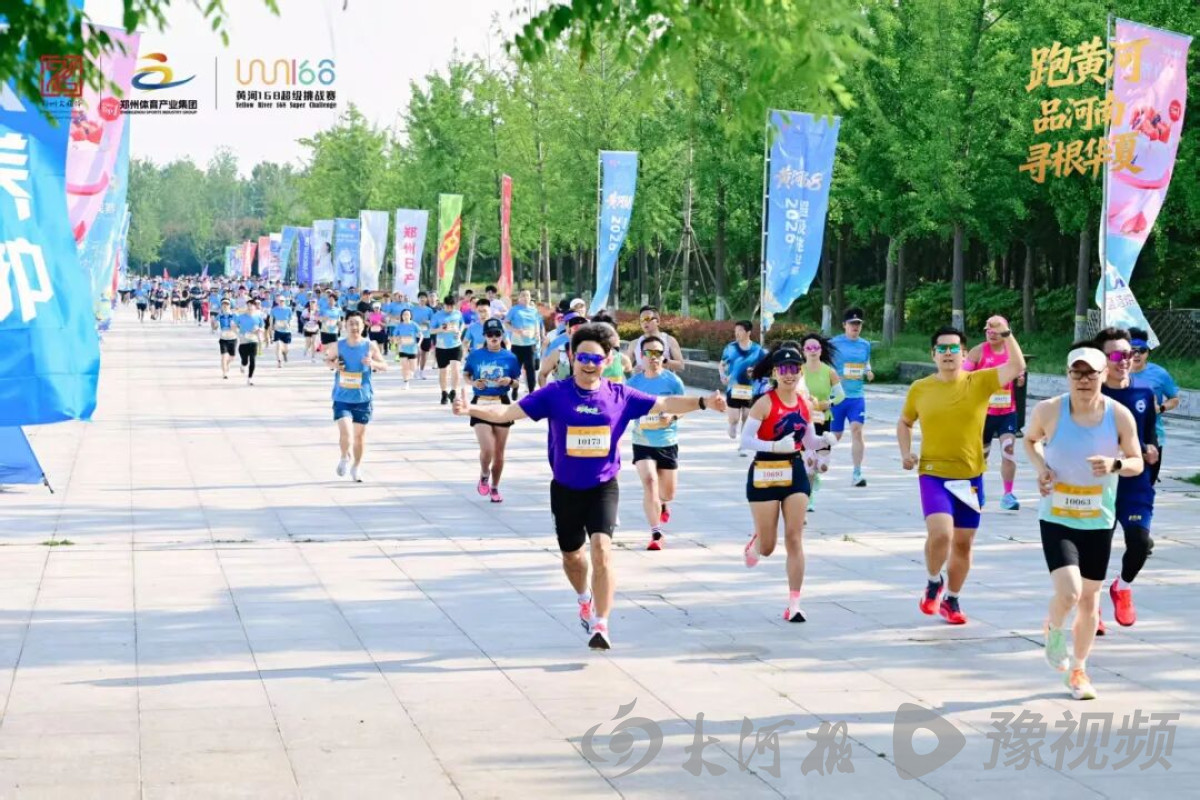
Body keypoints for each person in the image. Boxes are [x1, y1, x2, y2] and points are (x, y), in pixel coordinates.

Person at [453, 322, 727, 650]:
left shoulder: (620, 395)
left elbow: (665, 404)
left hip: (603, 486)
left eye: (596, 358)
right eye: (582, 357)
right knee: (572, 557)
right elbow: (507, 411)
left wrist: (703, 403)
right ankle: (584, 598)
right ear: (572, 357)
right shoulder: (555, 394)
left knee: (601, 549)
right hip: (565, 488)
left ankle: (601, 624)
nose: (588, 364)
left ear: (607, 360)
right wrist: (470, 409)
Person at [1024, 345, 1144, 700]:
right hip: (1057, 516)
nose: (1084, 380)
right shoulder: (1049, 410)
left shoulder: (1119, 415)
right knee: (1070, 592)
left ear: (1104, 375)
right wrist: (1042, 468)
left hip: (1097, 519)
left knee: (1090, 598)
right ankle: (1054, 629)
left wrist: (1115, 465)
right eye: (1077, 373)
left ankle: (1078, 671)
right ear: (1068, 376)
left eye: (1091, 373)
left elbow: (1137, 461)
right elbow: (1030, 440)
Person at [897, 325, 1026, 625]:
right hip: (933, 474)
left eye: (954, 348)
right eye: (941, 349)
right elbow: (904, 422)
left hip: (969, 477)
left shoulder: (979, 381)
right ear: (933, 355)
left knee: (964, 543)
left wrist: (1006, 334)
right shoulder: (920, 388)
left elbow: (1017, 366)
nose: (948, 353)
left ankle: (952, 599)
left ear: (965, 354)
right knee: (941, 534)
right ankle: (933, 581)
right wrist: (906, 452)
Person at [741, 345, 838, 622]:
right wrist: (773, 446)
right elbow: (745, 440)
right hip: (765, 470)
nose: (789, 374)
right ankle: (757, 543)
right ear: (775, 373)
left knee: (794, 537)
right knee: (768, 547)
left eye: (794, 369)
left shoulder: (805, 404)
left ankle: (794, 604)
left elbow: (809, 441)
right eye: (783, 369)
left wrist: (825, 441)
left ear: (800, 372)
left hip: (794, 470)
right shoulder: (764, 403)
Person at [1094, 327, 1160, 633]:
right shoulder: (1092, 394)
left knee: (1140, 542)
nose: (1124, 360)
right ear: (1102, 359)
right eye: (1117, 355)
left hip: (1135, 481)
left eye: (1129, 354)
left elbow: (1150, 435)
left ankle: (1122, 587)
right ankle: (1091, 608)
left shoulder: (1144, 391)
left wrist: (1152, 450)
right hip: (1100, 483)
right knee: (1097, 550)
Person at [627, 334, 687, 550]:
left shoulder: (673, 382)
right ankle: (656, 533)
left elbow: (684, 407)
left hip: (667, 441)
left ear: (663, 356)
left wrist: (673, 416)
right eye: (648, 353)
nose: (653, 357)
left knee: (667, 493)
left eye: (658, 353)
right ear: (641, 356)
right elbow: (624, 409)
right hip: (642, 441)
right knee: (650, 482)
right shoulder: (633, 383)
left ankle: (663, 503)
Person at [964, 316, 1025, 510]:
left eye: (995, 331)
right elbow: (962, 377)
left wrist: (1020, 378)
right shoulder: (978, 351)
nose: (991, 334)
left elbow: (1020, 368)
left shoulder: (1011, 350)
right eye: (988, 331)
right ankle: (977, 491)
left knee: (1008, 451)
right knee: (981, 457)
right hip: (983, 414)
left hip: (1007, 412)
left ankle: (1008, 495)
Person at [462, 319, 521, 502]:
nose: (494, 337)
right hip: (480, 404)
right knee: (487, 449)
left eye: (497, 334)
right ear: (484, 336)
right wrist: (473, 383)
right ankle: (484, 473)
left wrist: (510, 382)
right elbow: (466, 374)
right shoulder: (475, 355)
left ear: (502, 335)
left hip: (502, 403)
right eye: (490, 334)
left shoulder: (510, 357)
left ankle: (495, 487)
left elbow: (517, 382)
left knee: (499, 453)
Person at [326, 311, 388, 482]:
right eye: (351, 323)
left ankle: (356, 466)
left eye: (357, 324)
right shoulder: (338, 345)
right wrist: (335, 365)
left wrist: (372, 363)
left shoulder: (370, 346)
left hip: (362, 398)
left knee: (359, 437)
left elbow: (385, 366)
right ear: (345, 325)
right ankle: (344, 456)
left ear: (363, 326)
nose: (354, 327)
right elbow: (328, 361)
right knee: (346, 432)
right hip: (342, 397)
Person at [799, 333, 843, 511]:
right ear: (803, 351)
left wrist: (828, 403)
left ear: (821, 350)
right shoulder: (799, 371)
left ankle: (817, 474)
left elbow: (841, 395)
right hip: (804, 420)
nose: (812, 351)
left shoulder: (829, 371)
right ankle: (809, 497)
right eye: (808, 348)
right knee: (808, 462)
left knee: (822, 466)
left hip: (824, 419)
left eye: (816, 347)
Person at [1129, 327, 1179, 485]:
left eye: (1142, 350)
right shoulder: (1116, 372)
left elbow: (1174, 399)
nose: (1137, 354)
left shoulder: (1160, 374)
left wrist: (1160, 408)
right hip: (1123, 436)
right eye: (1133, 350)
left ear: (1148, 353)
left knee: (1147, 484)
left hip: (1153, 436)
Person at [831, 307, 873, 487]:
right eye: (852, 324)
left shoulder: (865, 345)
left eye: (858, 324)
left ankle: (857, 472)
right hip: (837, 396)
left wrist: (869, 371)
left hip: (857, 396)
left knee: (857, 430)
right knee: (835, 436)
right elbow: (824, 363)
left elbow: (866, 362)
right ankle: (813, 462)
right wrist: (833, 377)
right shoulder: (834, 343)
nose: (855, 327)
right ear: (844, 325)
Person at [719, 321, 766, 445]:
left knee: (747, 417)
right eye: (736, 331)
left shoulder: (757, 349)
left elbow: (764, 367)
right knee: (734, 418)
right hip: (733, 388)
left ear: (748, 332)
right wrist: (723, 376)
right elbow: (722, 365)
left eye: (740, 330)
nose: (737, 333)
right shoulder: (730, 348)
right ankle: (732, 425)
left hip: (750, 389)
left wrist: (756, 371)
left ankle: (744, 444)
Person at [505, 289, 544, 398]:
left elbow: (537, 324)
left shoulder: (534, 311)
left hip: (530, 344)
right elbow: (506, 323)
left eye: (527, 295)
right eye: (523, 295)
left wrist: (537, 335)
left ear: (530, 297)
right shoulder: (514, 310)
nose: (525, 297)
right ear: (519, 298)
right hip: (517, 344)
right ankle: (515, 389)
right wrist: (515, 330)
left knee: (531, 369)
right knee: (516, 369)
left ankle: (532, 393)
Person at [628, 306, 684, 372]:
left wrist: (663, 361)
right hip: (642, 378)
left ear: (658, 321)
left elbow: (681, 366)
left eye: (647, 319)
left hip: (663, 378)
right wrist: (633, 370)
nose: (644, 322)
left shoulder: (669, 340)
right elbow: (625, 367)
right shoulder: (634, 344)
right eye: (641, 320)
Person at [432, 294, 464, 405]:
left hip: (456, 345)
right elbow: (431, 331)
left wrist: (459, 332)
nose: (450, 309)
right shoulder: (437, 315)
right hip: (442, 347)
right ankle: (444, 393)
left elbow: (462, 324)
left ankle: (453, 391)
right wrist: (440, 329)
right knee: (444, 371)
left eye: (452, 306)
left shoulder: (458, 313)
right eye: (447, 306)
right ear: (444, 305)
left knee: (456, 369)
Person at [539, 313, 588, 386]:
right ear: (568, 332)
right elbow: (542, 375)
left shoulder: (594, 353)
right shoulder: (559, 352)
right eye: (576, 329)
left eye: (584, 331)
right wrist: (545, 392)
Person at [234, 299, 264, 386]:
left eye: (251, 305)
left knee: (253, 360)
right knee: (245, 361)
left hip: (254, 340)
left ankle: (250, 378)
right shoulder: (241, 317)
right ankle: (243, 365)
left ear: (255, 307)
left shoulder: (258, 317)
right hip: (243, 341)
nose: (250, 307)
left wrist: (259, 330)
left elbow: (262, 328)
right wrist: (238, 334)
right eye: (248, 305)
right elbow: (234, 326)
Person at [392, 308, 421, 388]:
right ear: (402, 316)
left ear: (410, 316)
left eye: (407, 314)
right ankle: (406, 383)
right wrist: (396, 341)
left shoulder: (414, 325)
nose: (406, 316)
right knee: (404, 367)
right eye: (404, 314)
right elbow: (394, 336)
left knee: (413, 368)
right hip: (402, 349)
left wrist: (419, 343)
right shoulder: (399, 325)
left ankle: (410, 375)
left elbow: (421, 335)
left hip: (412, 349)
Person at [411, 292, 435, 379]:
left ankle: (422, 371)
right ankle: (415, 371)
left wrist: (428, 322)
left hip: (426, 335)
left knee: (425, 354)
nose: (422, 299)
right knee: (417, 353)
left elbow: (433, 322)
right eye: (420, 297)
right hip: (416, 335)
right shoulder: (413, 309)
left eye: (424, 297)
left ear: (426, 299)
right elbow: (409, 321)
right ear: (418, 299)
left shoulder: (429, 310)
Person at [215, 298, 237, 379]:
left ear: (230, 305)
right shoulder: (219, 316)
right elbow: (215, 327)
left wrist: (235, 326)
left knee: (232, 357)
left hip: (233, 338)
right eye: (223, 304)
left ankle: (227, 364)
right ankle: (224, 373)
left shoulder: (234, 315)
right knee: (224, 357)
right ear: (221, 306)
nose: (225, 306)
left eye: (227, 304)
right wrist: (215, 324)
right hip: (223, 338)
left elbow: (239, 326)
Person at [269, 296, 294, 368]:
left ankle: (284, 353)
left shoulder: (288, 309)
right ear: (277, 301)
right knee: (278, 346)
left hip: (286, 331)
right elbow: (271, 320)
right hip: (277, 330)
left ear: (285, 301)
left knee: (286, 348)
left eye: (282, 301)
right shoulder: (274, 309)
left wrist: (288, 324)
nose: (281, 302)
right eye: (280, 301)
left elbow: (290, 319)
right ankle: (279, 361)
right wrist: (271, 328)